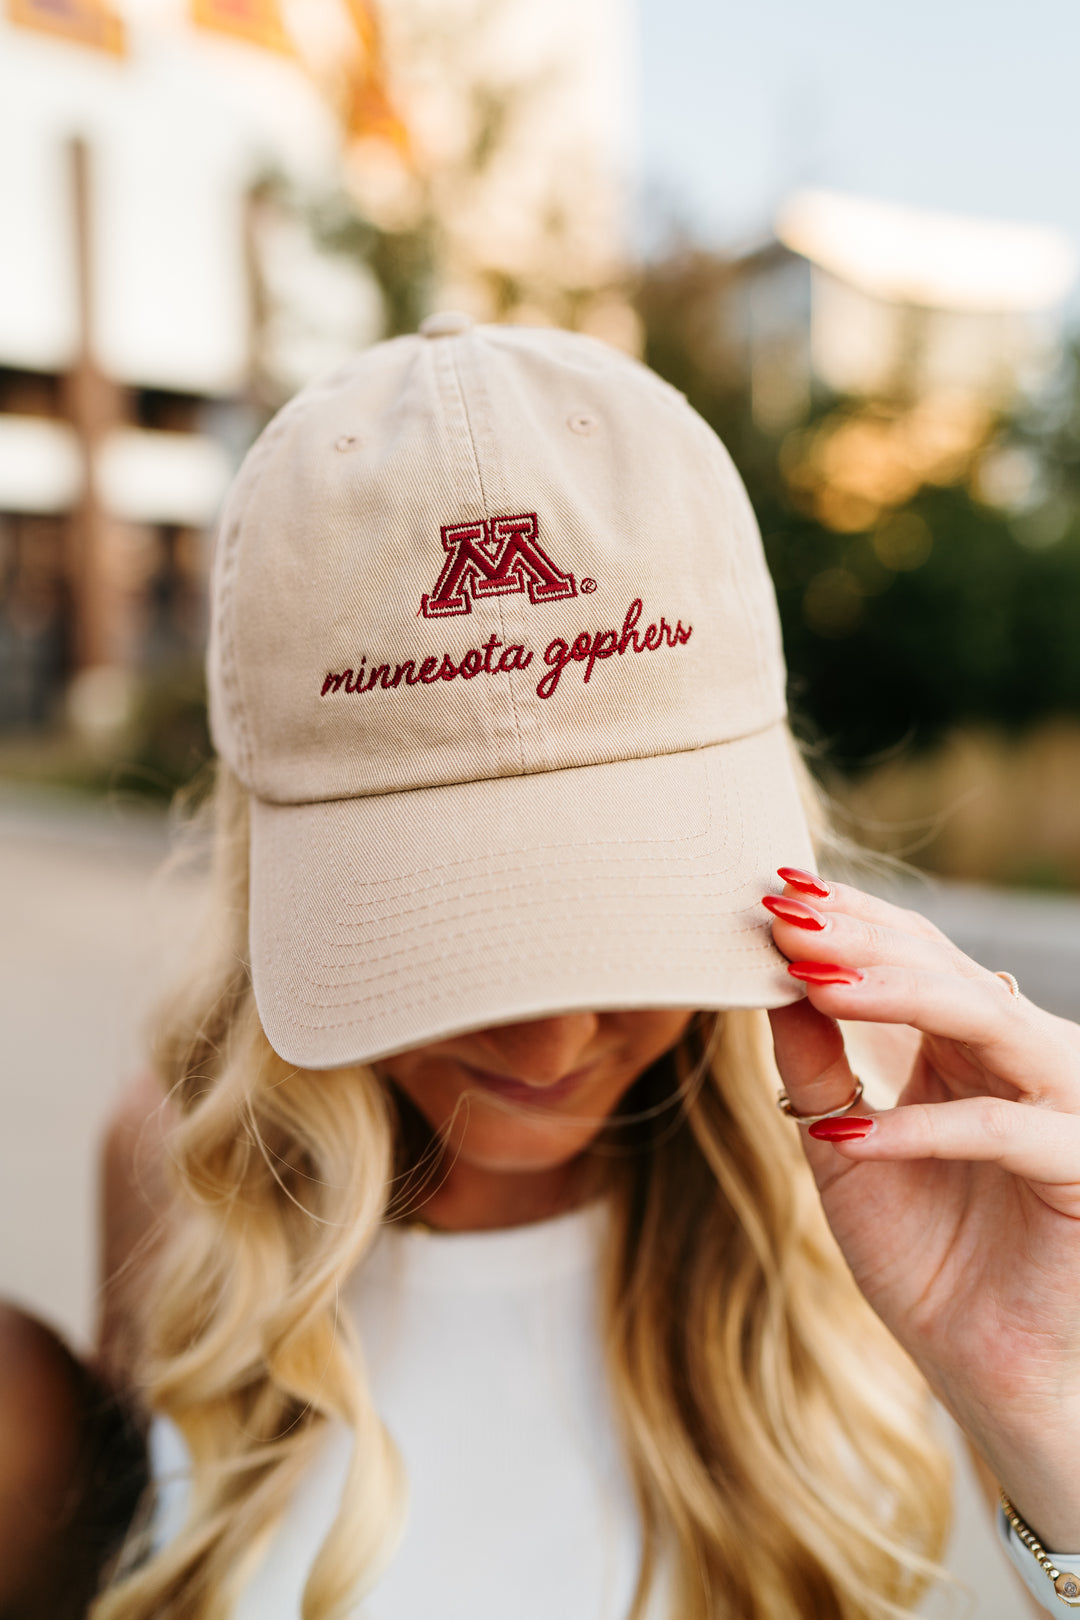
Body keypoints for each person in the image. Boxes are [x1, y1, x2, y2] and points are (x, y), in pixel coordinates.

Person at [5, 315, 1079, 1619]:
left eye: (626, 908)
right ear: (264, 851)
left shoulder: (929, 1159)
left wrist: (1047, 1411)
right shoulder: (188, 1165)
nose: (555, 1043)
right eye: (440, 927)